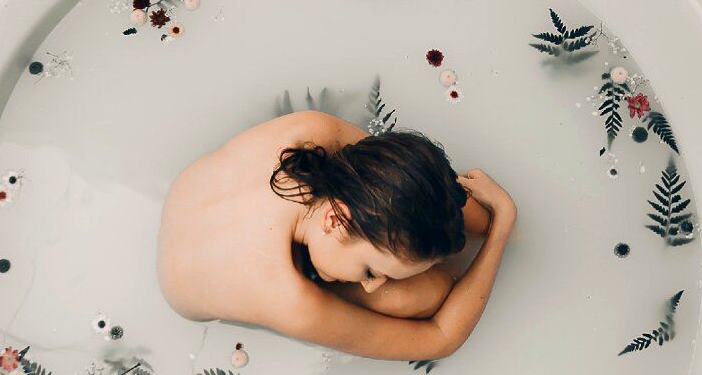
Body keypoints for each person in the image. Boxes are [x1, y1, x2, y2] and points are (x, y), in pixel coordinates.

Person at [157, 109, 516, 361]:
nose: (373, 285)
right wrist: (501, 223)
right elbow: (440, 337)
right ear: (334, 220)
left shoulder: (309, 132)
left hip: (189, 201)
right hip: (193, 284)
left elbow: (398, 170)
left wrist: (476, 220)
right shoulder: (290, 301)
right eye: (371, 271)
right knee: (422, 295)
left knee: (423, 250)